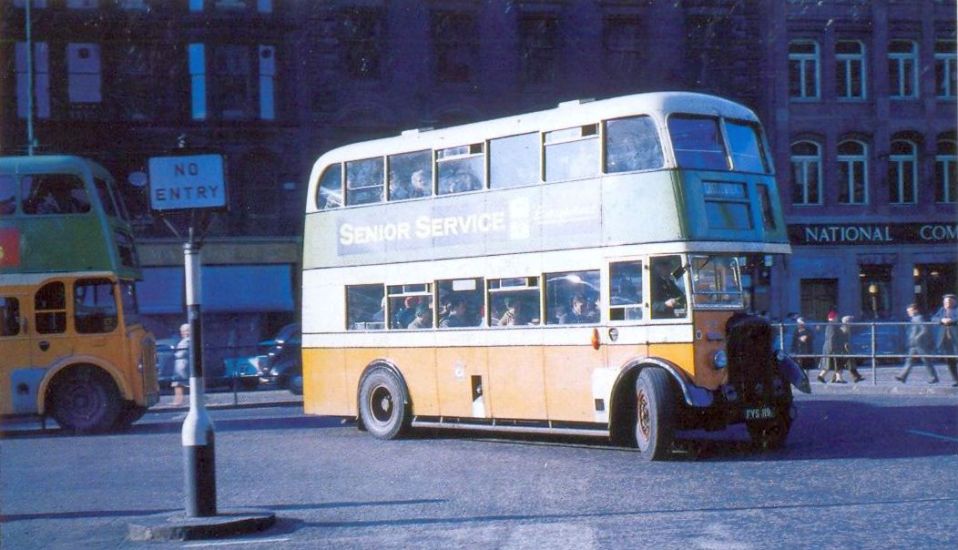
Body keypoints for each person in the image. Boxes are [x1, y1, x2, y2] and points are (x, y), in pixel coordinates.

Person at [895, 304, 938, 384]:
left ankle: (934, 377)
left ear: (915, 310)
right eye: (908, 311)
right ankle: (902, 376)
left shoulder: (919, 318)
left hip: (920, 344)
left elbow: (924, 329)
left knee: (926, 360)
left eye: (910, 311)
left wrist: (917, 337)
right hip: (914, 344)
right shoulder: (914, 318)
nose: (909, 313)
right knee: (909, 360)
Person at [932, 293, 958, 387]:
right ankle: (956, 380)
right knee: (950, 361)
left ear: (954, 302)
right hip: (946, 340)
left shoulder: (956, 310)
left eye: (949, 301)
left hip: (956, 339)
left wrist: (952, 320)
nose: (947, 303)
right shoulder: (942, 310)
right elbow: (933, 318)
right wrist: (941, 320)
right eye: (945, 301)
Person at [817, 311, 845, 383]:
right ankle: (837, 378)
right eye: (836, 317)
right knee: (835, 363)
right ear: (834, 317)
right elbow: (832, 338)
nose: (837, 318)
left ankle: (836, 378)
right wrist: (833, 348)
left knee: (831, 363)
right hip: (833, 348)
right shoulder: (832, 326)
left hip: (830, 347)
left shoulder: (830, 325)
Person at [839, 315, 865, 383]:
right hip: (843, 349)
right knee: (848, 362)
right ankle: (855, 376)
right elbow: (843, 340)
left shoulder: (847, 329)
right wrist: (846, 348)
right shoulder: (844, 329)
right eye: (850, 321)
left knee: (848, 363)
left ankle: (856, 376)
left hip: (845, 349)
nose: (852, 323)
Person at [171, 323, 190, 406]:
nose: (182, 333)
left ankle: (179, 401)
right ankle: (179, 401)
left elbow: (182, 353)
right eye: (181, 331)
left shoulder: (188, 341)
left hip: (182, 364)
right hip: (180, 364)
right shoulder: (185, 340)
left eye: (185, 331)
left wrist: (173, 353)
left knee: (179, 383)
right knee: (179, 384)